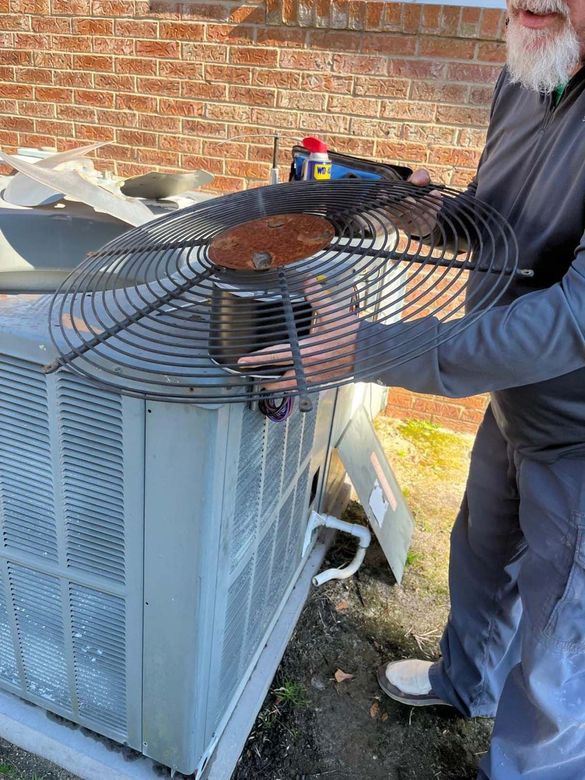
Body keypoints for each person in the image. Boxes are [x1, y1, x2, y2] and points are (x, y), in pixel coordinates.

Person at [240, 0, 585, 776]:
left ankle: (533, 766)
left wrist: (362, 346)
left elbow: (572, 319)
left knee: (561, 641)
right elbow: (501, 225)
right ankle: (466, 686)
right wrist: (432, 216)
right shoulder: (535, 71)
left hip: (579, 429)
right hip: (517, 398)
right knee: (482, 555)